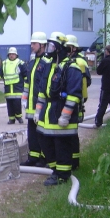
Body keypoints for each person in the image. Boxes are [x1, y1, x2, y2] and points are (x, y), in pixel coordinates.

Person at [34, 32, 82, 186]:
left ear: (60, 48)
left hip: (61, 111)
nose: (49, 49)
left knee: (61, 144)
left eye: (52, 46)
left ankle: (62, 175)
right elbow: (42, 91)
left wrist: (65, 116)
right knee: (44, 139)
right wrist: (37, 111)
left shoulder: (72, 68)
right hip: (47, 111)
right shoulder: (49, 65)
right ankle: (55, 170)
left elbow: (74, 95)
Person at [20, 32, 51, 167]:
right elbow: (28, 82)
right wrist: (24, 97)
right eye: (31, 43)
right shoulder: (32, 61)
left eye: (34, 43)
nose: (32, 46)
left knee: (42, 133)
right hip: (31, 105)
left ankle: (44, 159)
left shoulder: (47, 62)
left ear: (42, 45)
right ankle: (33, 157)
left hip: (42, 105)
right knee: (32, 132)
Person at [65, 35, 92, 170]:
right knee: (68, 132)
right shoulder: (67, 60)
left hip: (76, 101)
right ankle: (70, 160)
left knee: (72, 132)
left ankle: (74, 161)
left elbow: (87, 81)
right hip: (71, 100)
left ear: (74, 48)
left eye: (68, 47)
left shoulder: (80, 62)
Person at [0, 47, 27, 124]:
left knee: (17, 104)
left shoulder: (20, 63)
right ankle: (11, 119)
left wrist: (27, 82)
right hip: (8, 89)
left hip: (17, 88)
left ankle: (19, 117)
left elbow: (25, 74)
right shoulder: (4, 63)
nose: (12, 56)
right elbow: (0, 73)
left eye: (13, 54)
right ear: (8, 55)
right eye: (10, 54)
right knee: (9, 105)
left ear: (16, 55)